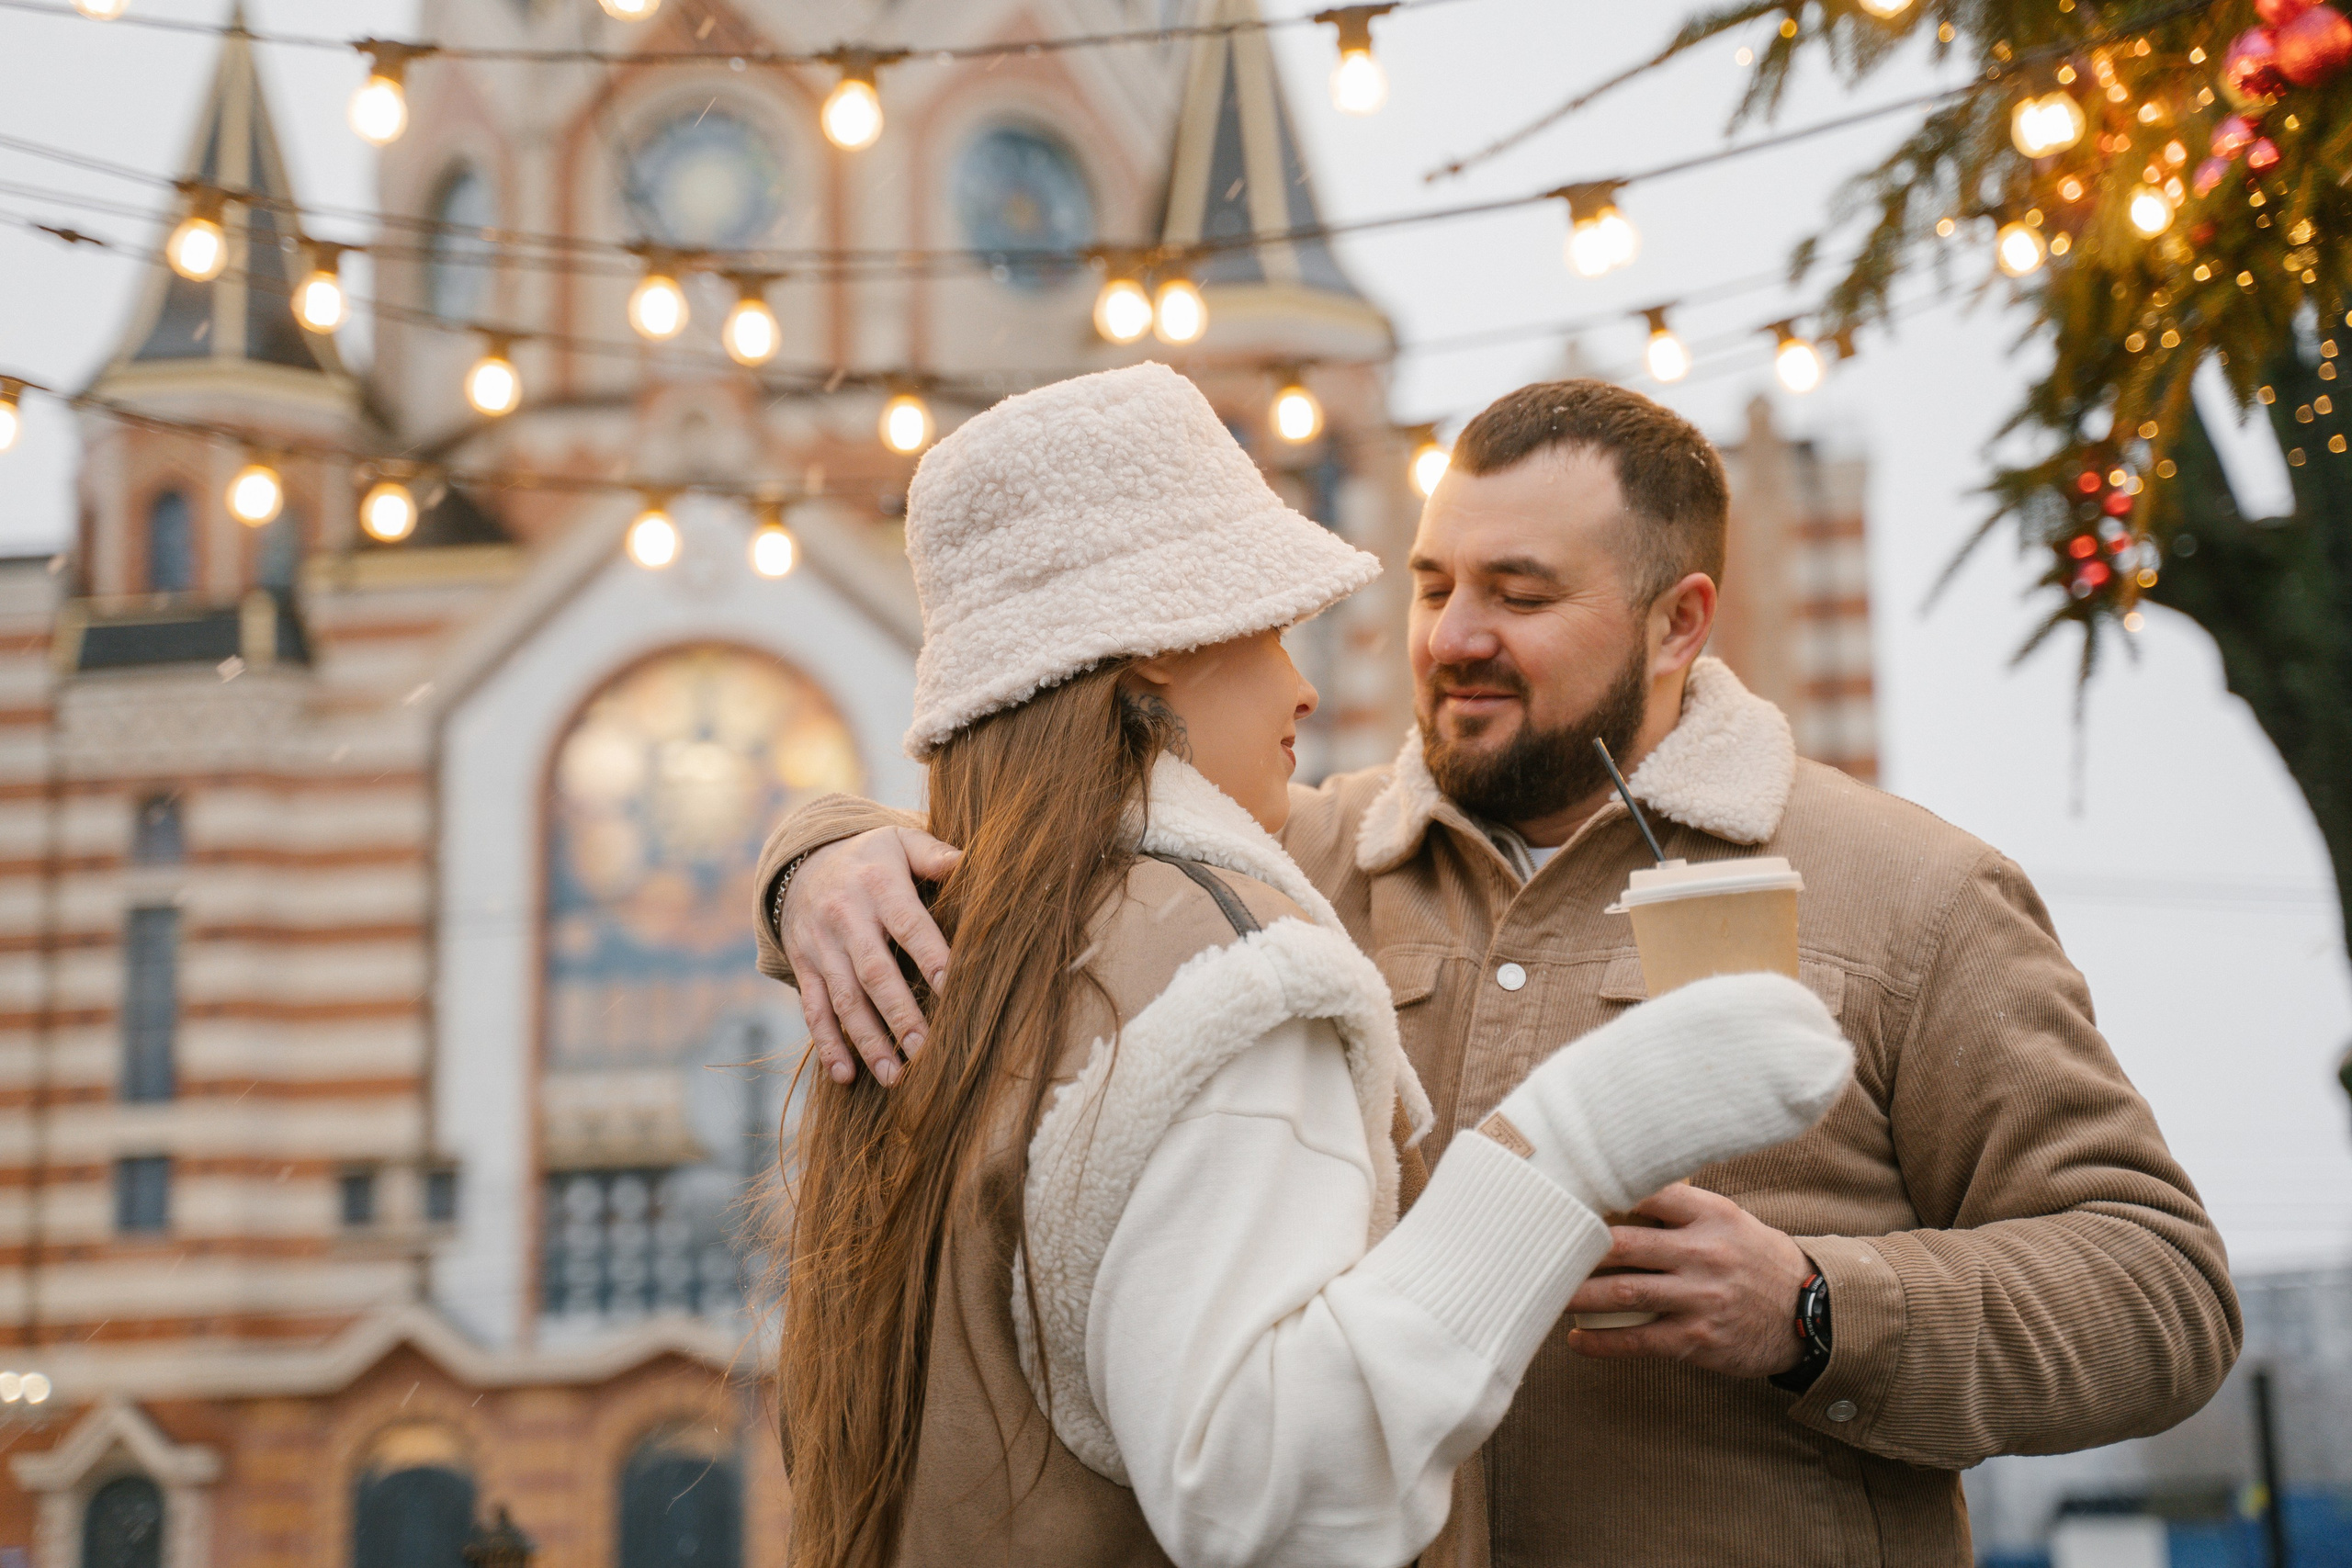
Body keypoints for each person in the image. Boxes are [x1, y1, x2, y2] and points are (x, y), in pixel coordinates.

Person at [762, 377, 2244, 1566]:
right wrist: (818, 858)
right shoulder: (1295, 864)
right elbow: (1047, 828)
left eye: (1520, 595)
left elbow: (2162, 1294)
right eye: (1430, 585)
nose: (1451, 639)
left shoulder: (1910, 893)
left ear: (1680, 624)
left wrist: (1813, 1309)